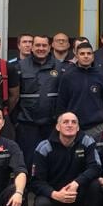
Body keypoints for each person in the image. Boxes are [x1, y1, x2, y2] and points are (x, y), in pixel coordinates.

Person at [30, 111, 103, 206]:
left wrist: (77, 183)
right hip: (55, 197)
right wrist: (55, 194)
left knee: (95, 185)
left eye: (73, 122)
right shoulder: (44, 147)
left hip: (78, 194)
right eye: (65, 122)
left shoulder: (87, 142)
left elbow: (95, 167)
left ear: (78, 127)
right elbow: (35, 181)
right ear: (57, 127)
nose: (70, 125)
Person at [13, 34, 61, 163]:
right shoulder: (20, 67)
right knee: (28, 159)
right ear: (32, 47)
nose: (41, 48)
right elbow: (14, 96)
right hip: (27, 125)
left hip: (52, 125)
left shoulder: (59, 67)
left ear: (50, 47)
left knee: (51, 159)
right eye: (38, 45)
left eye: (44, 45)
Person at [57, 42, 103, 136]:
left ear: (93, 56)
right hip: (73, 126)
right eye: (82, 54)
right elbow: (61, 104)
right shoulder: (67, 77)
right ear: (76, 56)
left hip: (98, 126)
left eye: (89, 53)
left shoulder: (102, 76)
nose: (86, 56)